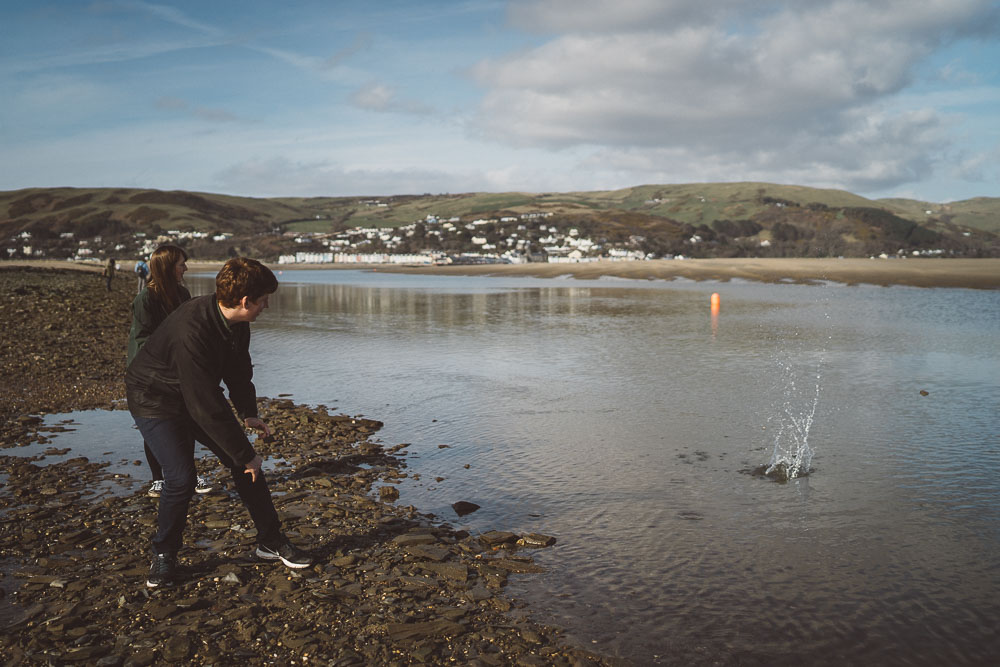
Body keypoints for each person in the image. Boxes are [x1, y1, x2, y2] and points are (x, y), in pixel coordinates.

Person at [126, 257, 312, 588]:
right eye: (264, 300)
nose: (266, 306)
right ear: (245, 301)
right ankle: (164, 555)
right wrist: (244, 452)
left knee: (246, 465)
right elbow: (204, 405)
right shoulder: (192, 330)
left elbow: (239, 369)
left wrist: (248, 412)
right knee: (182, 477)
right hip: (154, 399)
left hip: (192, 394)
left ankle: (270, 541)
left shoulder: (237, 323)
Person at [127, 245, 212, 497]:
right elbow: (140, 339)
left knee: (184, 422)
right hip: (149, 375)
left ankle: (192, 475)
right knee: (156, 423)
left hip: (178, 371)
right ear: (166, 267)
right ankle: (157, 479)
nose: (185, 268)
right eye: (181, 264)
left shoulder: (182, 294)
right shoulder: (145, 299)